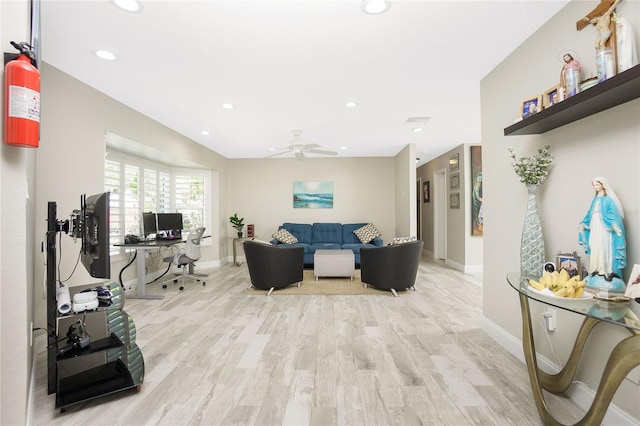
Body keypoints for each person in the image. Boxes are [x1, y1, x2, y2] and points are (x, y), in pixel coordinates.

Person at [578, 177, 627, 292]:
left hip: (605, 229)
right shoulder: (595, 199)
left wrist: (614, 224)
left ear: (603, 185)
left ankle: (606, 270)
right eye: (594, 185)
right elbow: (589, 213)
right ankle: (596, 269)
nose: (595, 187)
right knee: (595, 247)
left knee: (605, 248)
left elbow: (614, 214)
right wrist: (583, 223)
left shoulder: (608, 199)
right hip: (595, 227)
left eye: (597, 185)